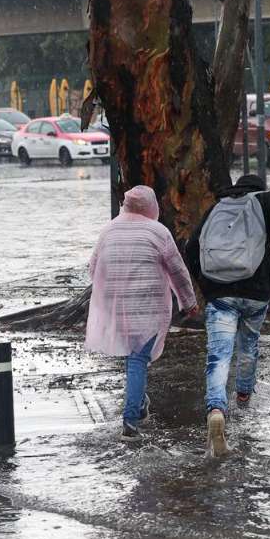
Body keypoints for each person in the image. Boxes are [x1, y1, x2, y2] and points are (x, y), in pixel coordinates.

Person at [184, 174, 270, 456]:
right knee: (249, 344)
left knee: (218, 355)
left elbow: (191, 247)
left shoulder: (218, 207)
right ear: (259, 187)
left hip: (220, 294)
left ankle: (216, 409)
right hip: (256, 293)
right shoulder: (266, 201)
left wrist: (206, 283)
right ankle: (243, 394)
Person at [86, 186, 199, 441]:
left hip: (117, 308)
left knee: (134, 357)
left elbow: (93, 268)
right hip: (148, 307)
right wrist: (188, 303)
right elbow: (177, 271)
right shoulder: (158, 232)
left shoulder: (109, 230)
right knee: (138, 359)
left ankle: (139, 404)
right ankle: (130, 421)